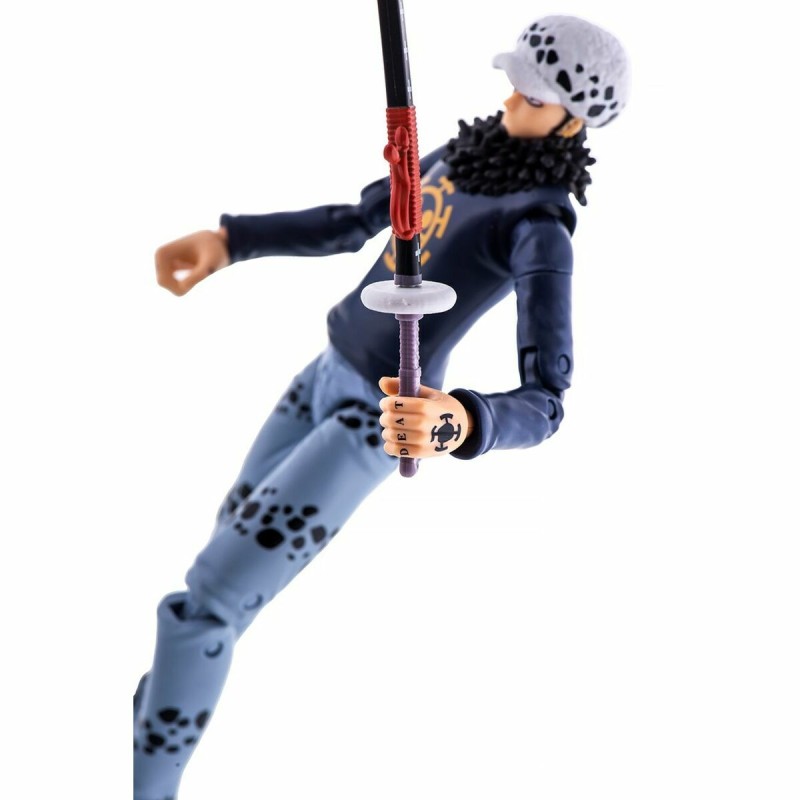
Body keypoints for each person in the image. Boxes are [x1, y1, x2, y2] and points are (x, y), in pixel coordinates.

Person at [133, 15, 630, 800]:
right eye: (513, 83)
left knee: (208, 603)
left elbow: (546, 399)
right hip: (322, 373)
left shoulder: (539, 226)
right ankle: (161, 715)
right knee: (225, 555)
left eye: (533, 97)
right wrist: (232, 241)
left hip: (373, 421)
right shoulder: (462, 155)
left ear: (572, 120)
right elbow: (356, 219)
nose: (511, 100)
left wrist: (461, 420)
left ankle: (150, 782)